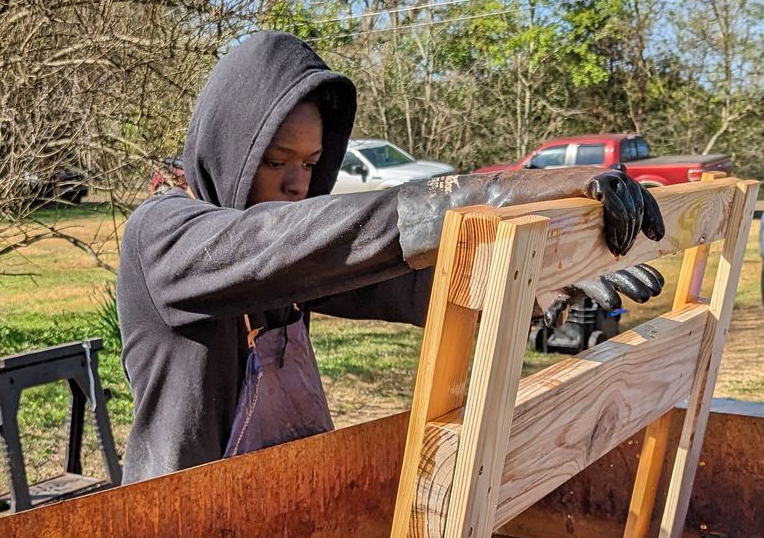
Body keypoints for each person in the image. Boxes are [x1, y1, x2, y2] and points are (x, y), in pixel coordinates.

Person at [116, 32, 667, 482]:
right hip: (175, 533)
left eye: (309, 165)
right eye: (276, 160)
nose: (294, 185)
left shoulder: (294, 266)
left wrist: (535, 282)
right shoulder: (165, 237)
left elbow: (400, 283)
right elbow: (287, 242)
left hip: (272, 515)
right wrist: (508, 189)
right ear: (230, 146)